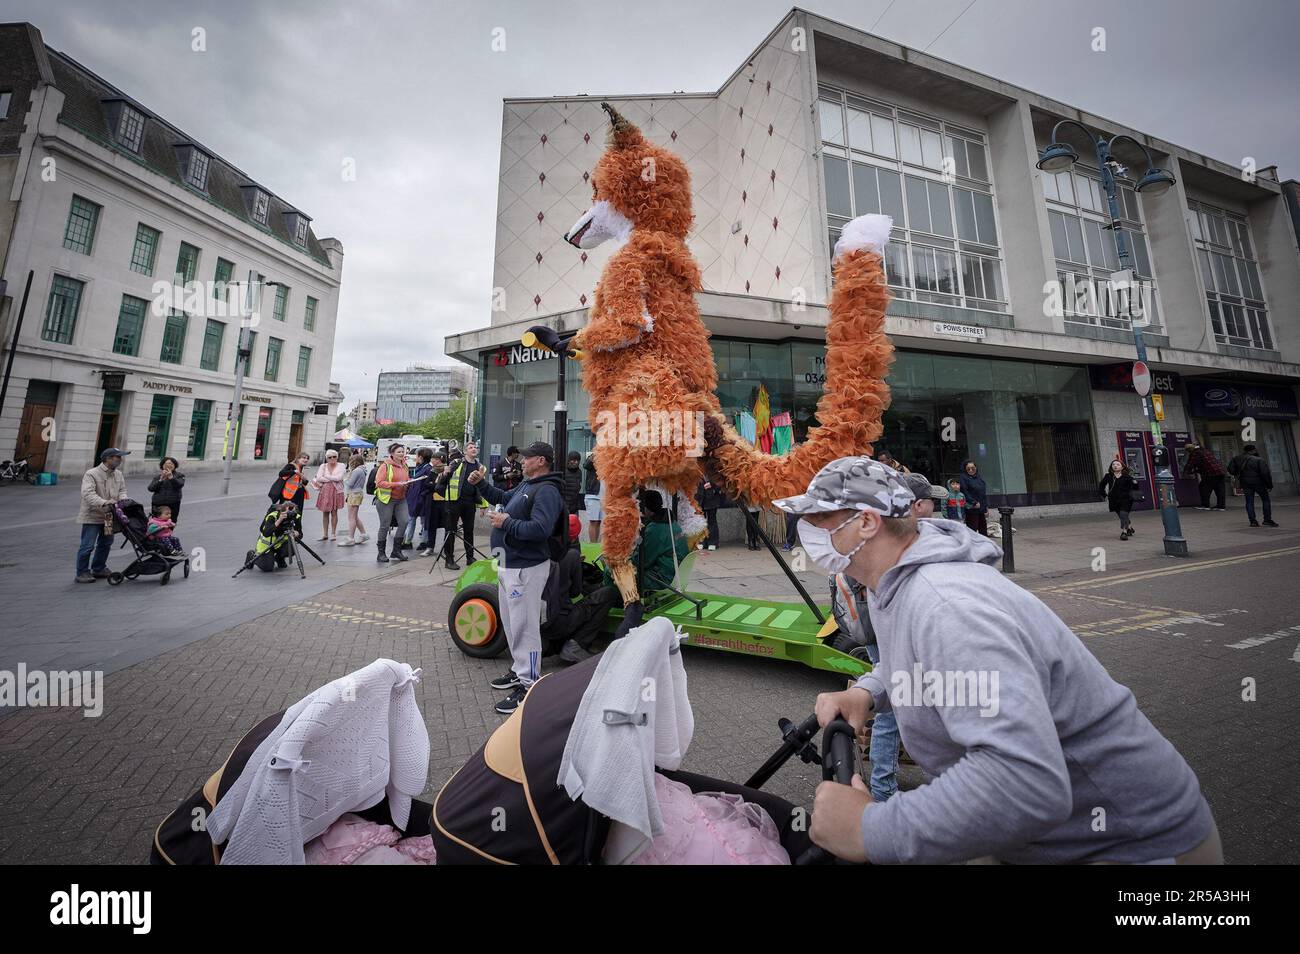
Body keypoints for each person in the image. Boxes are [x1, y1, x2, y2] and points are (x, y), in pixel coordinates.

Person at [775, 456, 1220, 865]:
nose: (807, 533)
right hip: (1044, 843)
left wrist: (871, 829)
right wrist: (867, 694)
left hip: (1129, 846)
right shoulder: (894, 580)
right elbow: (919, 666)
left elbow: (1024, 783)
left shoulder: (946, 605)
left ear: (867, 523)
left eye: (819, 520)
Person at [466, 441, 566, 715]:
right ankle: (519, 669)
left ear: (542, 461)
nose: (522, 461)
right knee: (512, 623)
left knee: (525, 626)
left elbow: (541, 528)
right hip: (511, 564)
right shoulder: (527, 484)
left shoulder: (546, 490)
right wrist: (481, 485)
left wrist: (506, 523)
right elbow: (504, 498)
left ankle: (530, 683)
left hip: (526, 567)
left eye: (528, 457)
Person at [828, 569, 898, 803]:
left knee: (892, 703)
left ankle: (883, 784)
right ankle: (883, 788)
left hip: (872, 624)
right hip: (880, 625)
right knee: (891, 710)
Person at [547, 522, 618, 665]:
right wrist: (575, 568)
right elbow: (575, 592)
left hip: (540, 619)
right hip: (559, 620)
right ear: (575, 537)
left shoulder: (542, 549)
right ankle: (576, 644)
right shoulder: (571, 555)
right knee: (608, 593)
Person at [76, 448, 130, 583]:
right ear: (108, 458)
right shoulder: (92, 474)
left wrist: (123, 500)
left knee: (106, 542)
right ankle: (82, 572)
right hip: (93, 515)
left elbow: (122, 490)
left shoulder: (118, 474)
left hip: (109, 516)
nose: (120, 459)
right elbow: (88, 494)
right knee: (87, 545)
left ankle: (99, 568)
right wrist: (104, 502)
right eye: (118, 457)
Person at [436, 442, 486, 570]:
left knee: (469, 531)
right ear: (465, 452)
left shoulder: (480, 467)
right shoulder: (457, 462)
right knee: (451, 531)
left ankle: (470, 557)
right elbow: (442, 480)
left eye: (475, 447)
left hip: (470, 502)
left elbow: (482, 487)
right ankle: (449, 559)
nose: (474, 449)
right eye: (470, 447)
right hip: (453, 501)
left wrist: (483, 505)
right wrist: (445, 472)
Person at [372, 442, 411, 563]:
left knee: (404, 522)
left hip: (401, 498)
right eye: (398, 452)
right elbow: (379, 483)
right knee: (385, 525)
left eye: (402, 451)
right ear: (392, 454)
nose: (401, 454)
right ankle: (381, 553)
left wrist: (409, 481)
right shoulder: (385, 466)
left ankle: (396, 551)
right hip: (386, 499)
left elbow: (405, 478)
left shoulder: (405, 465)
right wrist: (396, 484)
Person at [1228, 444, 1277, 528]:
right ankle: (1267, 519)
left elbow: (1231, 470)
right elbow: (1265, 473)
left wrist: (1239, 474)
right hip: (1258, 483)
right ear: (1253, 450)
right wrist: (1269, 485)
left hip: (1245, 483)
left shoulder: (1236, 458)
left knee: (1249, 501)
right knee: (1265, 500)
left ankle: (1253, 521)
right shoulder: (1259, 460)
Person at [248, 501, 302, 572]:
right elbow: (266, 533)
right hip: (267, 545)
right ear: (281, 512)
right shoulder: (272, 517)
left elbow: (300, 534)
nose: (290, 515)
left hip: (280, 544)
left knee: (292, 548)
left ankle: (279, 558)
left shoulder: (295, 517)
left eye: (292, 513)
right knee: (267, 568)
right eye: (287, 513)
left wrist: (297, 533)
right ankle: (252, 556)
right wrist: (279, 520)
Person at [402, 447, 435, 553]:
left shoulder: (427, 469)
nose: (415, 458)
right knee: (416, 520)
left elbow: (428, 485)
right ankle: (410, 541)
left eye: (416, 456)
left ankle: (420, 542)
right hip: (416, 498)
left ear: (420, 457)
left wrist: (421, 495)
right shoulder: (422, 467)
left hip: (420, 498)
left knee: (422, 521)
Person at [311, 449, 347, 541]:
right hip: (325, 491)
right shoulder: (323, 466)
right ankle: (325, 534)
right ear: (326, 458)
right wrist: (332, 479)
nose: (332, 458)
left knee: (334, 512)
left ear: (337, 457)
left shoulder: (341, 465)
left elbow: (339, 478)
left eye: (334, 456)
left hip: (336, 491)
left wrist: (326, 477)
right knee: (325, 513)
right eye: (329, 457)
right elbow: (319, 478)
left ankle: (333, 534)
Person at [1098, 459, 1139, 540]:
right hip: (1114, 500)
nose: (1115, 466)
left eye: (1117, 464)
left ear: (1122, 467)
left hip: (1126, 499)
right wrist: (1104, 495)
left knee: (1123, 514)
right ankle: (1129, 528)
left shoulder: (1127, 477)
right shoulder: (1108, 476)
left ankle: (1124, 532)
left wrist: (1135, 482)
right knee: (1122, 516)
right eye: (1113, 464)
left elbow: (1135, 488)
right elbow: (1101, 486)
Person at [338, 453, 370, 547]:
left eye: (351, 461)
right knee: (354, 517)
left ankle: (350, 538)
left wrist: (344, 479)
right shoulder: (362, 469)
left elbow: (350, 483)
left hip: (354, 494)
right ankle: (363, 534)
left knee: (351, 517)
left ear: (354, 461)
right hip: (357, 493)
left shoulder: (356, 471)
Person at [1184, 442, 1227, 511]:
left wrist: (1186, 472)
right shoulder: (1204, 450)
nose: (1188, 452)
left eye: (1187, 450)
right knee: (1219, 490)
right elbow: (1203, 464)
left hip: (1210, 473)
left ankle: (1205, 505)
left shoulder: (1195, 453)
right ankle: (1221, 506)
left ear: (1189, 449)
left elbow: (1191, 464)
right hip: (1220, 472)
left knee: (1203, 488)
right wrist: (1195, 471)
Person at [423, 451, 447, 557]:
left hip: (446, 502)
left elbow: (446, 486)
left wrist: (435, 485)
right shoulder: (432, 471)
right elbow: (427, 484)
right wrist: (436, 485)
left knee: (448, 526)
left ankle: (447, 548)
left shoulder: (448, 470)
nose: (431, 460)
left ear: (438, 460)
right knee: (432, 525)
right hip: (433, 502)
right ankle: (430, 547)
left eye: (433, 458)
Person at [148, 456, 185, 524]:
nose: (168, 465)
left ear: (175, 465)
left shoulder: (180, 475)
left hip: (173, 503)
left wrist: (171, 478)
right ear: (162, 466)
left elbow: (179, 485)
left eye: (171, 464)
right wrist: (160, 480)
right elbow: (150, 488)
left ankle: (167, 534)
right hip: (158, 503)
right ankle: (156, 534)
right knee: (155, 520)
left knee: (171, 521)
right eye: (166, 464)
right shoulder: (158, 476)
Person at [958, 459, 989, 536]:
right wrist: (973, 502)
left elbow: (983, 493)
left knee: (983, 530)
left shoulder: (978, 477)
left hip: (981, 507)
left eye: (973, 468)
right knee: (972, 530)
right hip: (972, 508)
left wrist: (986, 508)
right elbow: (964, 491)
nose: (971, 470)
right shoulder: (963, 477)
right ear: (965, 469)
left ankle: (984, 546)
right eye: (968, 469)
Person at [582, 451, 603, 542]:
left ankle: (596, 544)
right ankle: (593, 544)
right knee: (593, 521)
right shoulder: (594, 456)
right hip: (593, 495)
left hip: (604, 496)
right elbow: (586, 465)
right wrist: (597, 452)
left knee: (598, 522)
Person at [698, 477, 722, 550]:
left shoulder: (712, 470)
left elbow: (719, 483)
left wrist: (713, 486)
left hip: (712, 499)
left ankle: (713, 542)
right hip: (700, 499)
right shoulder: (697, 469)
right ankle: (702, 541)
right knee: (701, 521)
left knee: (712, 520)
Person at [562, 450, 585, 524]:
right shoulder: (563, 470)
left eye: (577, 460)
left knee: (574, 527)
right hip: (564, 505)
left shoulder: (579, 472)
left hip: (574, 505)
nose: (575, 462)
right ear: (569, 460)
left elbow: (578, 487)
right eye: (573, 460)